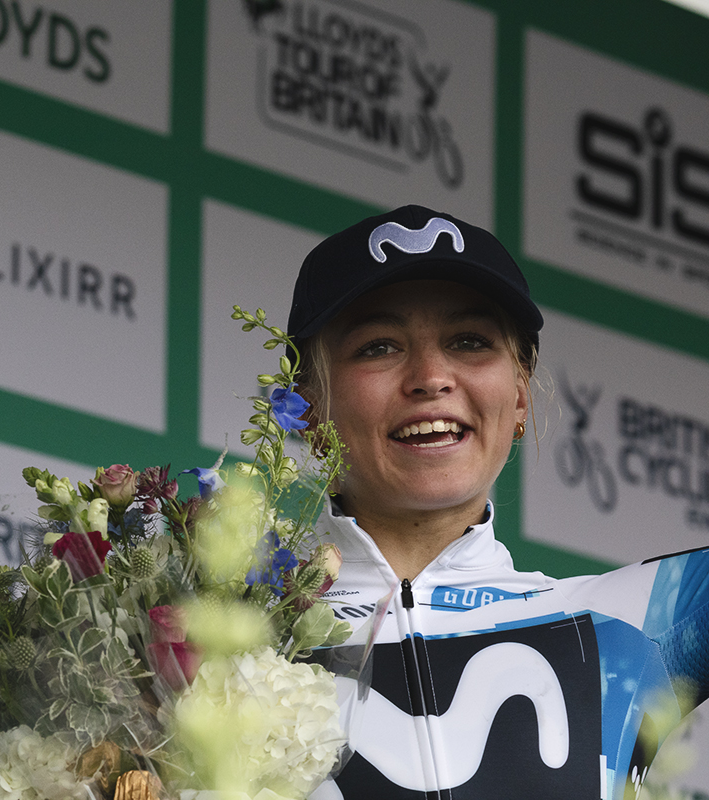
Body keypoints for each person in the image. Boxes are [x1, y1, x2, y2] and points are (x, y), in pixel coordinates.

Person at [287, 205, 709, 800]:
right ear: (305, 405)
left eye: (469, 342)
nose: (431, 376)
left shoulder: (644, 617)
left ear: (519, 396)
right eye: (379, 346)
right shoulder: (194, 644)